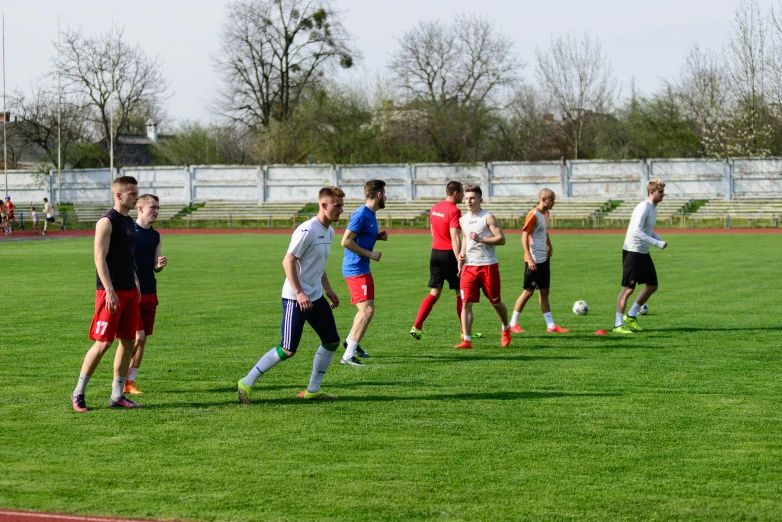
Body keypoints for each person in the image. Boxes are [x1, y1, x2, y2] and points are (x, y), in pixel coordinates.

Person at [237, 186, 345, 403]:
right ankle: (246, 382)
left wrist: (328, 289)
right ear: (324, 205)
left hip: (314, 296)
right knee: (287, 349)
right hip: (296, 299)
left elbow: (318, 264)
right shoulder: (307, 230)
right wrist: (299, 292)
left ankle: (313, 390)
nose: (341, 210)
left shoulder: (330, 231)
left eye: (342, 205)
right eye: (338, 206)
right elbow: (288, 261)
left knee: (331, 341)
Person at [71, 176, 142, 412]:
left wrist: (136, 283)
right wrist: (110, 291)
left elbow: (128, 258)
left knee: (128, 341)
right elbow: (98, 258)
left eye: (136, 192)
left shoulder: (129, 222)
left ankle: (117, 395)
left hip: (130, 292)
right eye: (132, 193)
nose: (136, 196)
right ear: (118, 195)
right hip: (110, 292)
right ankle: (78, 392)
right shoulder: (106, 222)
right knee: (103, 343)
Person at [455, 185, 512, 349]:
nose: (468, 201)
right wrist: (461, 255)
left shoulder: (488, 217)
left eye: (472, 198)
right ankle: (466, 340)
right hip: (469, 268)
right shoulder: (463, 219)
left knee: (496, 302)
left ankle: (506, 328)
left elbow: (501, 239)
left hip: (488, 266)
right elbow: (466, 238)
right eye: (466, 198)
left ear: (480, 200)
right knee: (466, 303)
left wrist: (481, 239)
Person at [340, 180, 388, 367]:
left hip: (362, 268)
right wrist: (370, 254)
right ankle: (348, 355)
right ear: (378, 195)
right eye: (384, 194)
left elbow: (360, 235)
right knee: (367, 310)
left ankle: (351, 342)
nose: (386, 197)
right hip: (355, 269)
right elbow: (346, 241)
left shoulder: (371, 214)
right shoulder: (361, 214)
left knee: (364, 310)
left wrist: (376, 236)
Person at [509, 189, 570, 334]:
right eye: (552, 200)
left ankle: (551, 325)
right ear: (543, 199)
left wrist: (550, 245)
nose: (554, 202)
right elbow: (524, 236)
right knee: (528, 291)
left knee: (544, 291)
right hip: (534, 259)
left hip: (544, 258)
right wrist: (529, 258)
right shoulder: (533, 214)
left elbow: (544, 232)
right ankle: (512, 323)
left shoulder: (546, 213)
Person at [124, 194, 168, 395]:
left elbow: (153, 266)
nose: (157, 211)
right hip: (132, 293)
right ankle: (120, 378)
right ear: (140, 209)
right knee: (137, 337)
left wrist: (158, 266)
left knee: (143, 339)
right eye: (153, 207)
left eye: (158, 208)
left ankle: (129, 383)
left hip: (150, 291)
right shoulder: (128, 232)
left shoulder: (156, 236)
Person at [410, 181, 464, 340]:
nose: (462, 196)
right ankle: (465, 333)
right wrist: (459, 259)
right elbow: (455, 237)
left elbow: (433, 231)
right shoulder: (454, 210)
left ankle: (417, 326)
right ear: (455, 193)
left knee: (434, 292)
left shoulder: (434, 208)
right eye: (461, 193)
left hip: (435, 253)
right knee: (461, 293)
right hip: (449, 255)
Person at [614, 178, 668, 334]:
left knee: (652, 286)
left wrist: (659, 240)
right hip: (633, 251)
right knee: (628, 289)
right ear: (652, 192)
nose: (664, 194)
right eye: (661, 191)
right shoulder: (643, 207)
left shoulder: (653, 208)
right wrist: (656, 244)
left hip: (643, 252)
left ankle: (631, 316)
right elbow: (636, 231)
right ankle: (618, 324)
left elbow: (647, 230)